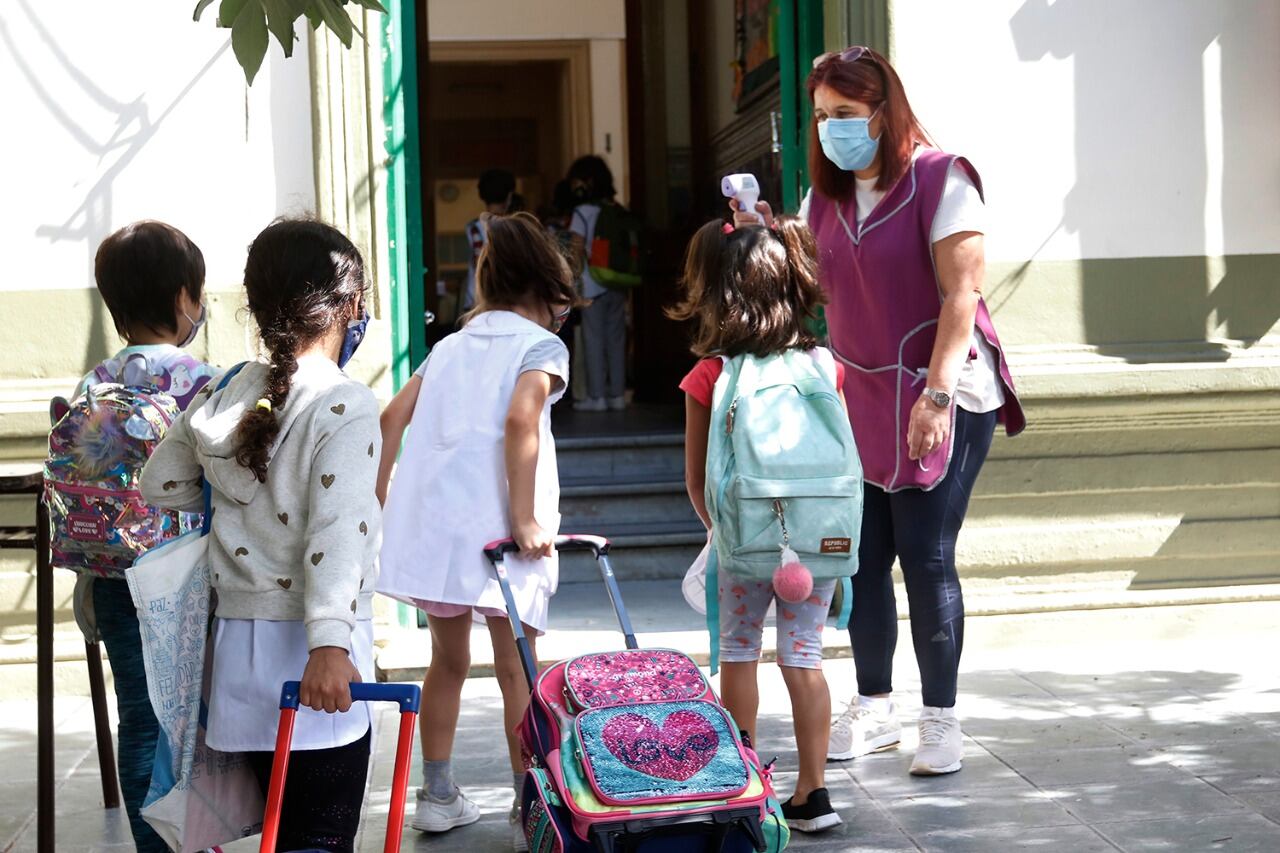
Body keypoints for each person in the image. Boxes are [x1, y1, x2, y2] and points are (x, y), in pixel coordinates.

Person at [732, 46, 1026, 776]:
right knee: (859, 560)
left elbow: (962, 296)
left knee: (926, 555)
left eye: (846, 113)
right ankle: (874, 707)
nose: (831, 128)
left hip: (943, 388)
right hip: (859, 396)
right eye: (822, 115)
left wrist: (936, 395)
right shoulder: (823, 200)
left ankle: (942, 720)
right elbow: (809, 280)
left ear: (883, 112)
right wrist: (765, 232)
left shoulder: (943, 179)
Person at [141, 219, 381, 853]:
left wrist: (234, 496)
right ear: (351, 304)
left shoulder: (226, 390)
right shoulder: (344, 403)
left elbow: (160, 483)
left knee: (278, 835)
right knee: (319, 837)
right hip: (315, 660)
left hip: (237, 663)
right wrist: (329, 646)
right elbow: (338, 531)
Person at [376, 212, 577, 851]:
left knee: (447, 661)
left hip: (439, 529)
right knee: (518, 669)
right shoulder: (540, 347)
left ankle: (437, 796)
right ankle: (529, 805)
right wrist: (524, 519)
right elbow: (522, 421)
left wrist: (380, 500)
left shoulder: (448, 347)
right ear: (547, 283)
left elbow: (390, 417)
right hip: (504, 536)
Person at [672, 216, 846, 833]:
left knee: (739, 652)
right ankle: (814, 793)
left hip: (743, 541)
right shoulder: (824, 366)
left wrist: (724, 530)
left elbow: (697, 480)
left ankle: (743, 790)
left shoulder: (710, 374)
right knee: (804, 657)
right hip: (817, 541)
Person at [71, 221, 216, 853]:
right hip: (192, 581)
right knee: (198, 721)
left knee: (139, 718)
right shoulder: (206, 382)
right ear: (185, 298)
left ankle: (153, 844)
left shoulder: (93, 384)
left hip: (114, 578)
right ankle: (199, 833)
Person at [567, 155, 627, 411]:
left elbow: (576, 250)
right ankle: (617, 395)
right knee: (616, 340)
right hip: (617, 282)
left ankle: (596, 397)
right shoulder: (616, 208)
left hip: (592, 286)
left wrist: (573, 283)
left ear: (587, 181)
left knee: (593, 340)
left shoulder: (582, 212)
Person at [463, 168, 517, 311]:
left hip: (476, 299)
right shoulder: (515, 229)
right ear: (509, 196)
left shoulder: (473, 227)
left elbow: (477, 262)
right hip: (506, 300)